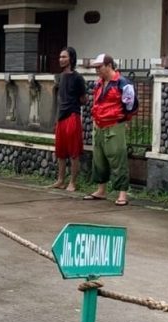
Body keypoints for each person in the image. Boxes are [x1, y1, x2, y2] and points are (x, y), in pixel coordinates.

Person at [83, 53, 135, 206]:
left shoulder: (122, 83)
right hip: (99, 124)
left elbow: (130, 105)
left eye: (99, 67)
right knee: (99, 159)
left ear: (109, 66)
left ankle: (122, 193)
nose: (97, 70)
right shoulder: (100, 83)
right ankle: (101, 189)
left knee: (118, 158)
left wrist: (123, 120)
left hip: (114, 124)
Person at [52, 47, 87, 192]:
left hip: (72, 115)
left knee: (73, 152)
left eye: (64, 57)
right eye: (60, 57)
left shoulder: (78, 78)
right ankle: (60, 180)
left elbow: (83, 99)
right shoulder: (59, 77)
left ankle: (72, 182)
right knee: (60, 151)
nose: (61, 59)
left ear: (71, 59)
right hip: (61, 116)